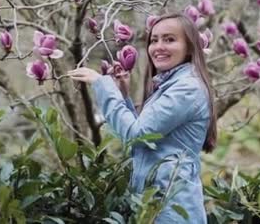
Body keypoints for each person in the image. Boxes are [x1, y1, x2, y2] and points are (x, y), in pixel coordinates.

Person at [68, 13, 217, 223]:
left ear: (191, 47)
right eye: (154, 40)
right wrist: (124, 97)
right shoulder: (172, 85)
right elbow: (146, 140)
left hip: (172, 210)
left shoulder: (187, 88)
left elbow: (138, 135)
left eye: (169, 39)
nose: (158, 46)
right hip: (154, 207)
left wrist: (103, 84)